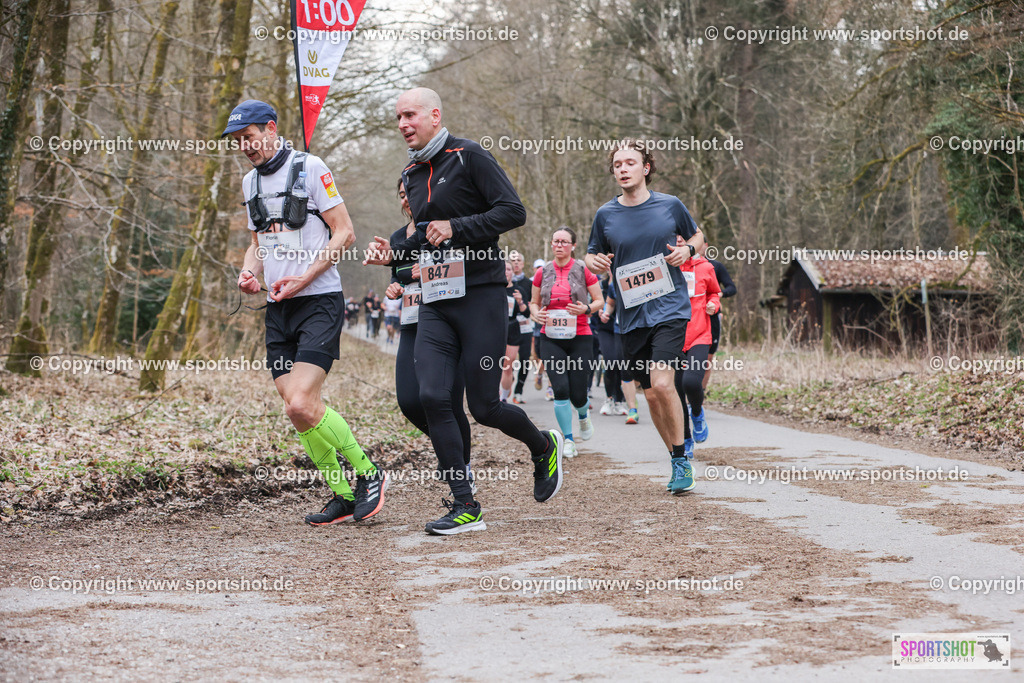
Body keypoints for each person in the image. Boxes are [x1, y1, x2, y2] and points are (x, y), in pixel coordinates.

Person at [370, 87, 563, 535]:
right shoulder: (411, 174)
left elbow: (513, 212)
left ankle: (542, 447)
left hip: (479, 295)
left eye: (410, 115)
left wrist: (457, 226)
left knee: (485, 405)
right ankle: (465, 504)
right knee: (433, 397)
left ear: (435, 115)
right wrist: (395, 254)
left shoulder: (469, 156)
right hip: (437, 300)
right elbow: (425, 238)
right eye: (398, 117)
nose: (402, 124)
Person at [228, 99, 387, 525]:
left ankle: (369, 473)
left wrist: (305, 276)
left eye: (250, 137)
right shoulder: (249, 184)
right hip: (279, 308)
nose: (245, 146)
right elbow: (258, 244)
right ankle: (342, 495)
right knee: (300, 409)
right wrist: (248, 272)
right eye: (238, 141)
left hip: (318, 302)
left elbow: (345, 233)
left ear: (271, 128)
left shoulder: (311, 168)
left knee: (299, 403)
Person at [585, 139, 703, 495]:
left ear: (645, 168)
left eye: (630, 163)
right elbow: (592, 256)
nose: (622, 169)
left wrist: (687, 249)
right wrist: (594, 262)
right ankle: (674, 454)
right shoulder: (606, 214)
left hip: (669, 308)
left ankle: (682, 459)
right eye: (617, 164)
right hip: (631, 314)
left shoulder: (670, 205)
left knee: (665, 385)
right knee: (651, 395)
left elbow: (699, 237)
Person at [365, 180, 474, 484]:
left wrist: (425, 274)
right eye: (401, 195)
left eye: (410, 193)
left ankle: (460, 467)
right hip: (412, 321)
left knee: (448, 402)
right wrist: (395, 287)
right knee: (410, 400)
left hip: (446, 321)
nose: (406, 199)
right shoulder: (398, 238)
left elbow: (459, 269)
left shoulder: (441, 229)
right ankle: (449, 447)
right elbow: (397, 274)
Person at [530, 227, 603, 459]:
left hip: (580, 335)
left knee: (579, 393)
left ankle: (583, 415)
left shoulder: (583, 270)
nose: (559, 245)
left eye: (564, 242)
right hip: (551, 336)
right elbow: (533, 303)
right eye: (556, 241)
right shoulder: (542, 272)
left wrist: (587, 308)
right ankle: (569, 439)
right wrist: (535, 314)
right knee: (560, 389)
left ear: (573, 246)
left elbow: (599, 300)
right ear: (551, 245)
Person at [674, 239, 721, 459]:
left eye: (684, 240)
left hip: (700, 334)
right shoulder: (665, 267)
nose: (679, 244)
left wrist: (714, 305)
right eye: (675, 240)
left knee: (691, 382)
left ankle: (697, 413)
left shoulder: (706, 266)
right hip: (672, 336)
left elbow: (714, 293)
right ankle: (685, 439)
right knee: (675, 392)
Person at [595, 275, 639, 423]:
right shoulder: (602, 284)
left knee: (631, 368)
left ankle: (623, 400)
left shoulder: (633, 278)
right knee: (612, 363)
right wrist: (603, 312)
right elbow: (607, 302)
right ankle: (613, 400)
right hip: (609, 329)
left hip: (633, 329)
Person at [703, 247, 736, 391]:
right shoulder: (682, 265)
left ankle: (699, 397)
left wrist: (718, 294)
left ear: (705, 245)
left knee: (707, 359)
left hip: (712, 317)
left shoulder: (715, 266)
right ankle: (685, 396)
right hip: (689, 318)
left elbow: (732, 287)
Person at [500, 260, 528, 402]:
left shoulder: (518, 290)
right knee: (492, 365)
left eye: (509, 269)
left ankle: (503, 399)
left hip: (512, 328)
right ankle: (496, 393)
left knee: (507, 366)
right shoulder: (494, 289)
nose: (506, 272)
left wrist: (520, 302)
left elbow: (527, 313)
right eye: (504, 269)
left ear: (513, 272)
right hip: (495, 328)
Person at [508, 251, 534, 404]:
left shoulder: (528, 284)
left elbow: (533, 303)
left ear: (523, 264)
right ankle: (507, 380)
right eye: (513, 260)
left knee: (524, 359)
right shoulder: (502, 283)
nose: (516, 263)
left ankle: (518, 391)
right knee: (506, 361)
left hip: (524, 326)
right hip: (509, 327)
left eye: (518, 260)